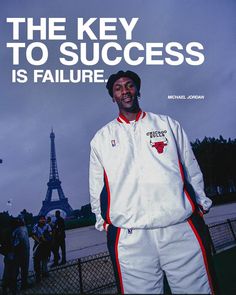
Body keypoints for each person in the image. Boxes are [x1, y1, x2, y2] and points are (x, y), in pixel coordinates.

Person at [89, 70, 218, 294]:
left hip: (179, 229)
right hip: (131, 239)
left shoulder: (167, 124)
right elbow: (97, 185)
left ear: (138, 90)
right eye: (118, 88)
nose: (125, 91)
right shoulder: (101, 138)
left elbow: (190, 166)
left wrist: (200, 202)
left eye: (129, 85)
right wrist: (103, 220)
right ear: (113, 97)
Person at [12, 215, 30, 290]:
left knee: (19, 270)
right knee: (23, 269)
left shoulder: (16, 230)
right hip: (23, 252)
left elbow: (15, 243)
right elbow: (18, 243)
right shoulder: (21, 229)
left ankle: (18, 285)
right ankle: (23, 284)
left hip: (22, 252)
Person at [32, 215, 52, 283]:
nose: (43, 220)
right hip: (38, 244)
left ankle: (44, 272)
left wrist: (47, 238)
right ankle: (38, 274)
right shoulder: (35, 226)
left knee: (45, 258)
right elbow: (33, 235)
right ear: (38, 220)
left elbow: (50, 233)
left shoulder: (47, 226)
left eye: (44, 219)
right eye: (41, 219)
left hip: (46, 244)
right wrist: (39, 241)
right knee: (37, 259)